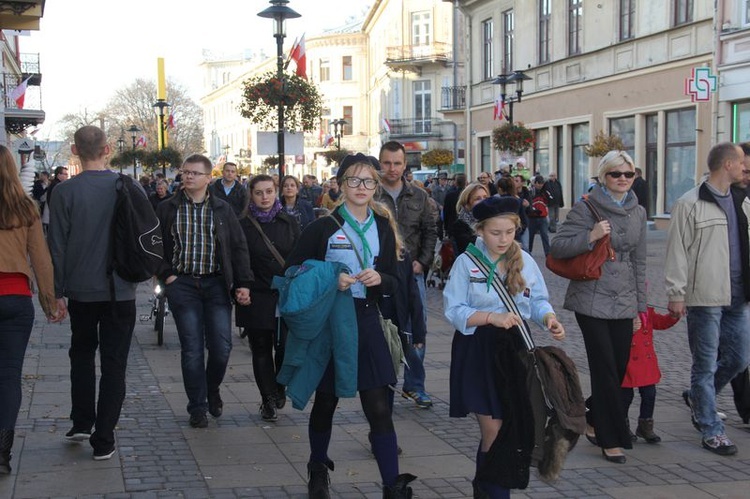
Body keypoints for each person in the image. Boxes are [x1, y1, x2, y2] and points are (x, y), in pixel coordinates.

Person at [285, 154, 416, 498]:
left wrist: (380, 279)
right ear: (341, 185)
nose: (362, 188)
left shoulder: (384, 227)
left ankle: (392, 484)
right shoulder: (322, 227)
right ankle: (317, 468)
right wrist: (332, 277)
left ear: (376, 186)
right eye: (354, 181)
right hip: (333, 321)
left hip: (367, 320)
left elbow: (394, 281)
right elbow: (293, 271)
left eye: (368, 181)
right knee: (326, 400)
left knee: (379, 405)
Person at [443, 196, 565, 499]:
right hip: (478, 351)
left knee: (513, 427)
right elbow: (453, 309)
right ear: (481, 231)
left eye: (509, 232)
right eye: (495, 232)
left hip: (515, 350)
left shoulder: (524, 260)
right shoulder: (466, 262)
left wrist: (548, 318)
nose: (503, 239)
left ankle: (484, 486)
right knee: (494, 430)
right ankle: (493, 492)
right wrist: (490, 317)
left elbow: (536, 301)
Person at [549, 150, 647, 464]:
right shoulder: (586, 208)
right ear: (603, 176)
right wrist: (590, 236)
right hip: (591, 299)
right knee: (604, 368)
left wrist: (640, 309)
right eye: (615, 174)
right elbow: (558, 247)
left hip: (623, 301)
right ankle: (612, 439)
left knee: (618, 369)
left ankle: (592, 416)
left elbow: (639, 262)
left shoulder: (638, 211)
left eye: (628, 175)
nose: (622, 180)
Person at [47, 126, 138, 461]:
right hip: (121, 289)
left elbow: (55, 246)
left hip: (82, 289)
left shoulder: (63, 192)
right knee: (115, 364)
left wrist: (55, 292)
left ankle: (82, 421)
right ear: (108, 148)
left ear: (74, 149)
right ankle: (104, 438)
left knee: (82, 355)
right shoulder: (126, 186)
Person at [155, 154, 252, 429]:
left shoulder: (222, 209)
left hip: (216, 284)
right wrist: (167, 274)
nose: (189, 177)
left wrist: (243, 282)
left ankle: (212, 388)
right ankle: (197, 406)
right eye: (186, 172)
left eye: (195, 173)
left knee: (221, 347)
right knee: (192, 348)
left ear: (209, 178)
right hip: (183, 284)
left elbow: (238, 246)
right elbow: (154, 245)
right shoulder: (168, 208)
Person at [666, 142, 750, 456]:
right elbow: (676, 252)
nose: (745, 168)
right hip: (704, 296)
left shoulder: (742, 201)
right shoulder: (689, 203)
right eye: (742, 162)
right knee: (703, 365)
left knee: (740, 358)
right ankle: (711, 429)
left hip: (738, 296)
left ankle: (699, 398)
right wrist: (676, 293)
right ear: (727, 164)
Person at [0, 145, 64, 475]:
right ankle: (2, 453)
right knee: (8, 375)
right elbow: (41, 258)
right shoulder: (25, 207)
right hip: (15, 297)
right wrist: (50, 302)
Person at [376, 141, 437, 409]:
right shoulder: (372, 194)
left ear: (405, 164)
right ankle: (384, 382)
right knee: (383, 328)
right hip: (381, 273)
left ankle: (414, 385)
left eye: (397, 163)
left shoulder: (419, 196)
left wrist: (422, 262)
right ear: (380, 163)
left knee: (416, 327)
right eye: (387, 163)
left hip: (412, 272)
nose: (392, 168)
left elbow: (431, 231)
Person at [236, 174, 300, 423]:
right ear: (250, 195)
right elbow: (239, 257)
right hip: (256, 293)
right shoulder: (243, 224)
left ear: (277, 192)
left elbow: (298, 254)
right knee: (261, 348)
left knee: (284, 346)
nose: (265, 197)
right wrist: (242, 286)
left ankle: (280, 386)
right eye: (259, 192)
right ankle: (268, 399)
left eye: (269, 192)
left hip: (285, 292)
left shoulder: (289, 221)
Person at [622, 303, 679, 443]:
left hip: (646, 364)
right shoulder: (621, 311)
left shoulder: (647, 312)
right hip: (626, 362)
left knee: (649, 394)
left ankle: (645, 427)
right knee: (625, 397)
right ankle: (622, 426)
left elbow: (661, 323)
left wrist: (673, 317)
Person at [450, 181, 489, 255]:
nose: (483, 201)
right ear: (467, 203)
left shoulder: (492, 219)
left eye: (485, 197)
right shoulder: (460, 225)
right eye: (478, 199)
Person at [496, 176, 529, 251]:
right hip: (516, 233)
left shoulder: (496, 202)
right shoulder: (517, 200)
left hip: (503, 235)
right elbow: (523, 219)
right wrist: (518, 231)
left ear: (500, 189)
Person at [527, 175, 551, 256]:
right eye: (539, 183)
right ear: (535, 183)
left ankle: (548, 253)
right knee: (530, 236)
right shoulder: (531, 191)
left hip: (542, 216)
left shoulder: (545, 191)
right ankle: (528, 252)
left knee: (545, 235)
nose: (540, 185)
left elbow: (550, 199)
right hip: (532, 217)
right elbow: (528, 200)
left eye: (542, 184)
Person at [41, 166, 68, 233]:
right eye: (65, 174)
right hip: (55, 216)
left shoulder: (56, 184)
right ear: (59, 175)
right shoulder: (57, 186)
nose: (66, 176)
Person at [443, 172, 467, 237]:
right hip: (467, 227)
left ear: (455, 183)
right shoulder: (470, 194)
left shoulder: (450, 195)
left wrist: (446, 227)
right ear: (466, 182)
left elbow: (446, 212)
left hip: (452, 226)